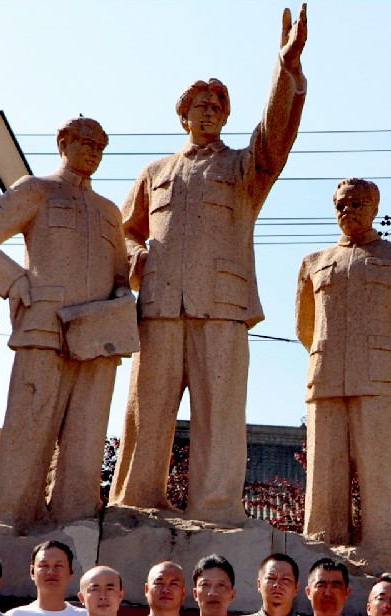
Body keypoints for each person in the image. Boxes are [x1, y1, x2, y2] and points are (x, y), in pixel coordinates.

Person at [110, 6, 307, 526]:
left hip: (222, 305)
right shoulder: (155, 172)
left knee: (220, 414)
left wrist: (285, 69)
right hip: (159, 304)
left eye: (217, 106)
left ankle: (215, 506)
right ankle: (135, 498)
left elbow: (276, 135)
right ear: (183, 116)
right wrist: (136, 260)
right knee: (144, 410)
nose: (209, 112)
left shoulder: (245, 167)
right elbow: (125, 232)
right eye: (200, 106)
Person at [0, 118, 133, 530]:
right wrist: (15, 282)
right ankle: (4, 516)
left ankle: (77, 519)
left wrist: (122, 299)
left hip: (98, 337)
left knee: (86, 438)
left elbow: (121, 277)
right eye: (86, 143)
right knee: (28, 427)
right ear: (63, 143)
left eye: (100, 147)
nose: (93, 152)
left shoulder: (109, 211)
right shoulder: (36, 189)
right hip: (44, 327)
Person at [295, 179, 391, 578]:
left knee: (381, 465)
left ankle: (387, 550)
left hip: (380, 374)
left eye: (356, 203)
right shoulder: (313, 261)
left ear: (374, 207)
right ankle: (323, 543)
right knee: (324, 466)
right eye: (340, 204)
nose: (347, 211)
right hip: (326, 371)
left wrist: (385, 350)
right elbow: (305, 325)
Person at [6, 540, 87, 616]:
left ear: (70, 572)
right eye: (44, 565)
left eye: (58, 565)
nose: (51, 572)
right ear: (32, 572)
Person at [230, 553, 306, 616]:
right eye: (271, 578)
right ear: (259, 584)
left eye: (285, 579)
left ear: (296, 588)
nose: (277, 585)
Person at [126, 561, 192, 616]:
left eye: (173, 584)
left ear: (183, 591)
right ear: (146, 589)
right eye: (159, 583)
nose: (166, 590)